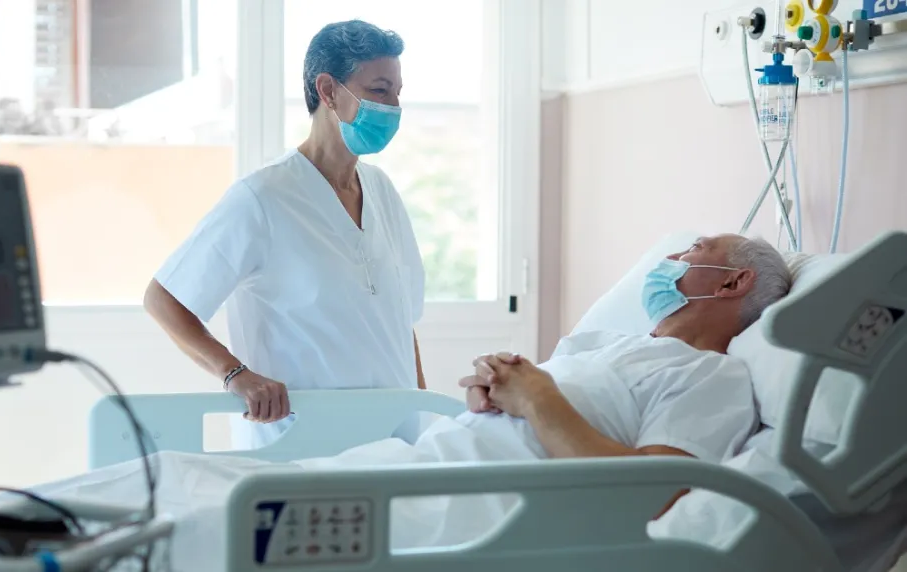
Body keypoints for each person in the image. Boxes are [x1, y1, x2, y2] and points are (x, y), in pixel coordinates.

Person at [144, 20, 426, 449]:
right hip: (297, 446)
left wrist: (423, 414)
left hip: (392, 444)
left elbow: (400, 323)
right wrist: (235, 375)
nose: (394, 106)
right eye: (380, 90)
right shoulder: (263, 197)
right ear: (329, 91)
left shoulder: (382, 191)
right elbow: (163, 299)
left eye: (398, 92)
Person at [459, 234, 792, 463]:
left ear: (732, 282)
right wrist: (494, 390)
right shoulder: (601, 343)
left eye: (695, 247)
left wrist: (536, 398)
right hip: (437, 461)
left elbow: (651, 494)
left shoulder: (712, 376)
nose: (671, 258)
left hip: (459, 503)